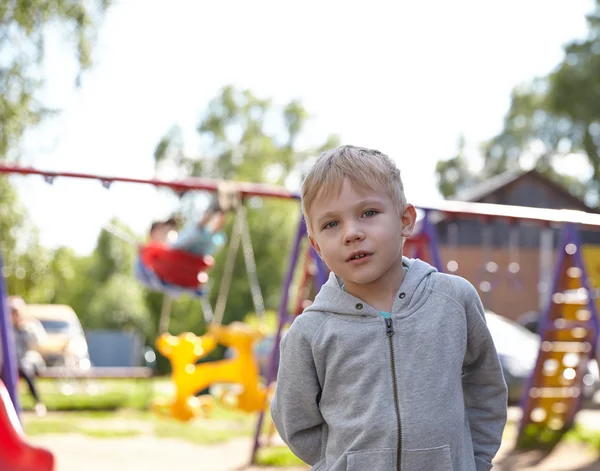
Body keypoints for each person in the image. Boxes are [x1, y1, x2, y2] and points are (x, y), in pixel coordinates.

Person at [270, 145, 508, 471]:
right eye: (331, 224)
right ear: (316, 246)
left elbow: (486, 387)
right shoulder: (310, 333)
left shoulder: (454, 300)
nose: (352, 233)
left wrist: (475, 461)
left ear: (405, 221)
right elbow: (294, 422)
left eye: (368, 213)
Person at [9, 296, 47, 417]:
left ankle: (38, 403)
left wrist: (24, 329)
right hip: (15, 362)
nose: (16, 315)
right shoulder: (8, 329)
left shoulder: (31, 326)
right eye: (12, 312)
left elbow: (39, 344)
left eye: (17, 312)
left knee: (25, 368)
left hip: (31, 360)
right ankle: (10, 404)